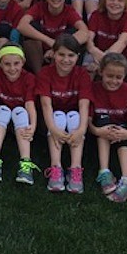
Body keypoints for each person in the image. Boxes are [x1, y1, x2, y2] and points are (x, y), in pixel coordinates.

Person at [37, 34, 92, 194]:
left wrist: (82, 129)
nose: (65, 60)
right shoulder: (45, 73)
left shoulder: (82, 74)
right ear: (53, 54)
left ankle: (75, 168)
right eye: (61, 54)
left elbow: (84, 104)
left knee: (75, 117)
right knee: (58, 116)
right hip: (52, 118)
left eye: (71, 55)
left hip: (74, 116)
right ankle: (56, 167)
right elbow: (46, 104)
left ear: (78, 57)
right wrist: (53, 129)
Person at [0, 45, 39, 185]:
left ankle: (26, 163)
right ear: (0, 63)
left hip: (21, 118)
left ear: (23, 62)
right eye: (7, 64)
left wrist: (33, 125)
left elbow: (29, 103)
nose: (12, 68)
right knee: (2, 110)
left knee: (21, 112)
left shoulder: (29, 78)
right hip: (2, 119)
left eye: (16, 63)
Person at [88, 53, 127, 202]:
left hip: (122, 130)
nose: (114, 81)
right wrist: (96, 130)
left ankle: (126, 179)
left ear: (125, 76)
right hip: (100, 131)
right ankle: (104, 171)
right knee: (104, 121)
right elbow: (88, 118)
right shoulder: (94, 88)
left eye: (119, 77)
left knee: (120, 129)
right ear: (101, 72)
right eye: (109, 76)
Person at [17, 0, 88, 74]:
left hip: (59, 53)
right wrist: (49, 41)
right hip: (39, 52)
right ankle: (39, 74)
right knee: (30, 29)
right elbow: (22, 25)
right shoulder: (39, 7)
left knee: (74, 34)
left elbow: (84, 32)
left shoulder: (69, 11)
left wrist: (58, 47)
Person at [85, 0, 127, 75]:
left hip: (120, 57)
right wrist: (93, 50)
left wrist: (103, 61)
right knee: (88, 69)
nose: (115, 3)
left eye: (120, 0)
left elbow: (122, 42)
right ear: (104, 0)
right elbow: (89, 39)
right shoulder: (96, 15)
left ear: (126, 3)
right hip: (97, 54)